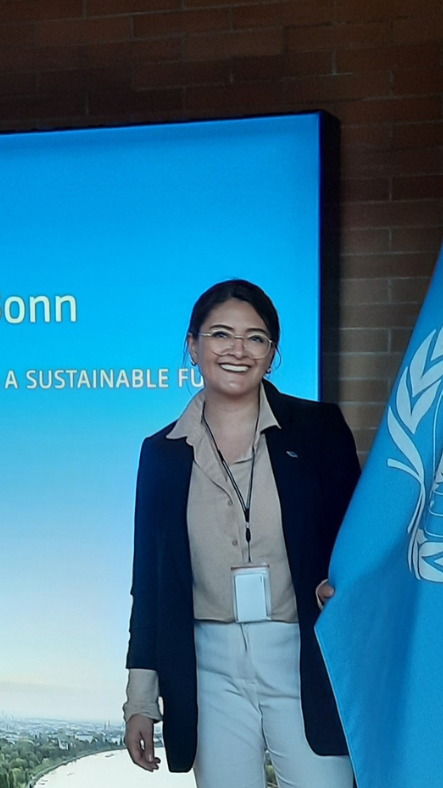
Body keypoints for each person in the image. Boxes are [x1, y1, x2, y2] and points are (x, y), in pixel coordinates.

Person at [123, 280, 361, 788]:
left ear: (272, 353)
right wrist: (140, 701)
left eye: (255, 338)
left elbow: (355, 542)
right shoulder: (161, 454)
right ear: (192, 346)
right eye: (220, 335)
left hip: (302, 652)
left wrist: (337, 583)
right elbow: (149, 586)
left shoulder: (318, 430)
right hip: (207, 663)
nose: (237, 350)